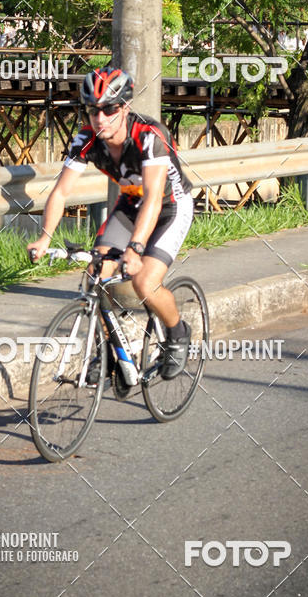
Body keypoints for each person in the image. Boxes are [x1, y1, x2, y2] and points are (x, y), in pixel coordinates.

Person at [27, 65, 194, 379]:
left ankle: (178, 333)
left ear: (125, 108)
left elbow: (155, 199)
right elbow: (61, 192)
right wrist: (45, 237)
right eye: (92, 110)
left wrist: (134, 249)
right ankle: (108, 352)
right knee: (95, 275)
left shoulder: (149, 135)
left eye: (108, 109)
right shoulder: (86, 139)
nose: (99, 118)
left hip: (170, 206)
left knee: (145, 282)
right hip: (131, 203)